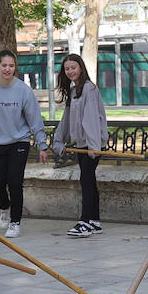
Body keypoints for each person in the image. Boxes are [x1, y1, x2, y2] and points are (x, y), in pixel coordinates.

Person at [0, 49, 49, 238]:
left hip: (19, 141)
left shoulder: (23, 90)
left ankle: (15, 222)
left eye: (11, 65)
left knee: (15, 182)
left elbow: (35, 119)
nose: (8, 69)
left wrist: (42, 145)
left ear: (15, 67)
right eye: (4, 65)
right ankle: (4, 207)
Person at [50, 54, 108, 237]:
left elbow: (91, 118)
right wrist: (58, 141)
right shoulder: (75, 91)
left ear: (81, 68)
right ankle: (95, 221)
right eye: (67, 69)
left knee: (86, 181)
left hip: (92, 145)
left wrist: (93, 146)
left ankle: (85, 222)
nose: (70, 71)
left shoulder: (89, 89)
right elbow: (67, 120)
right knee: (88, 180)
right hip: (83, 144)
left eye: (73, 67)